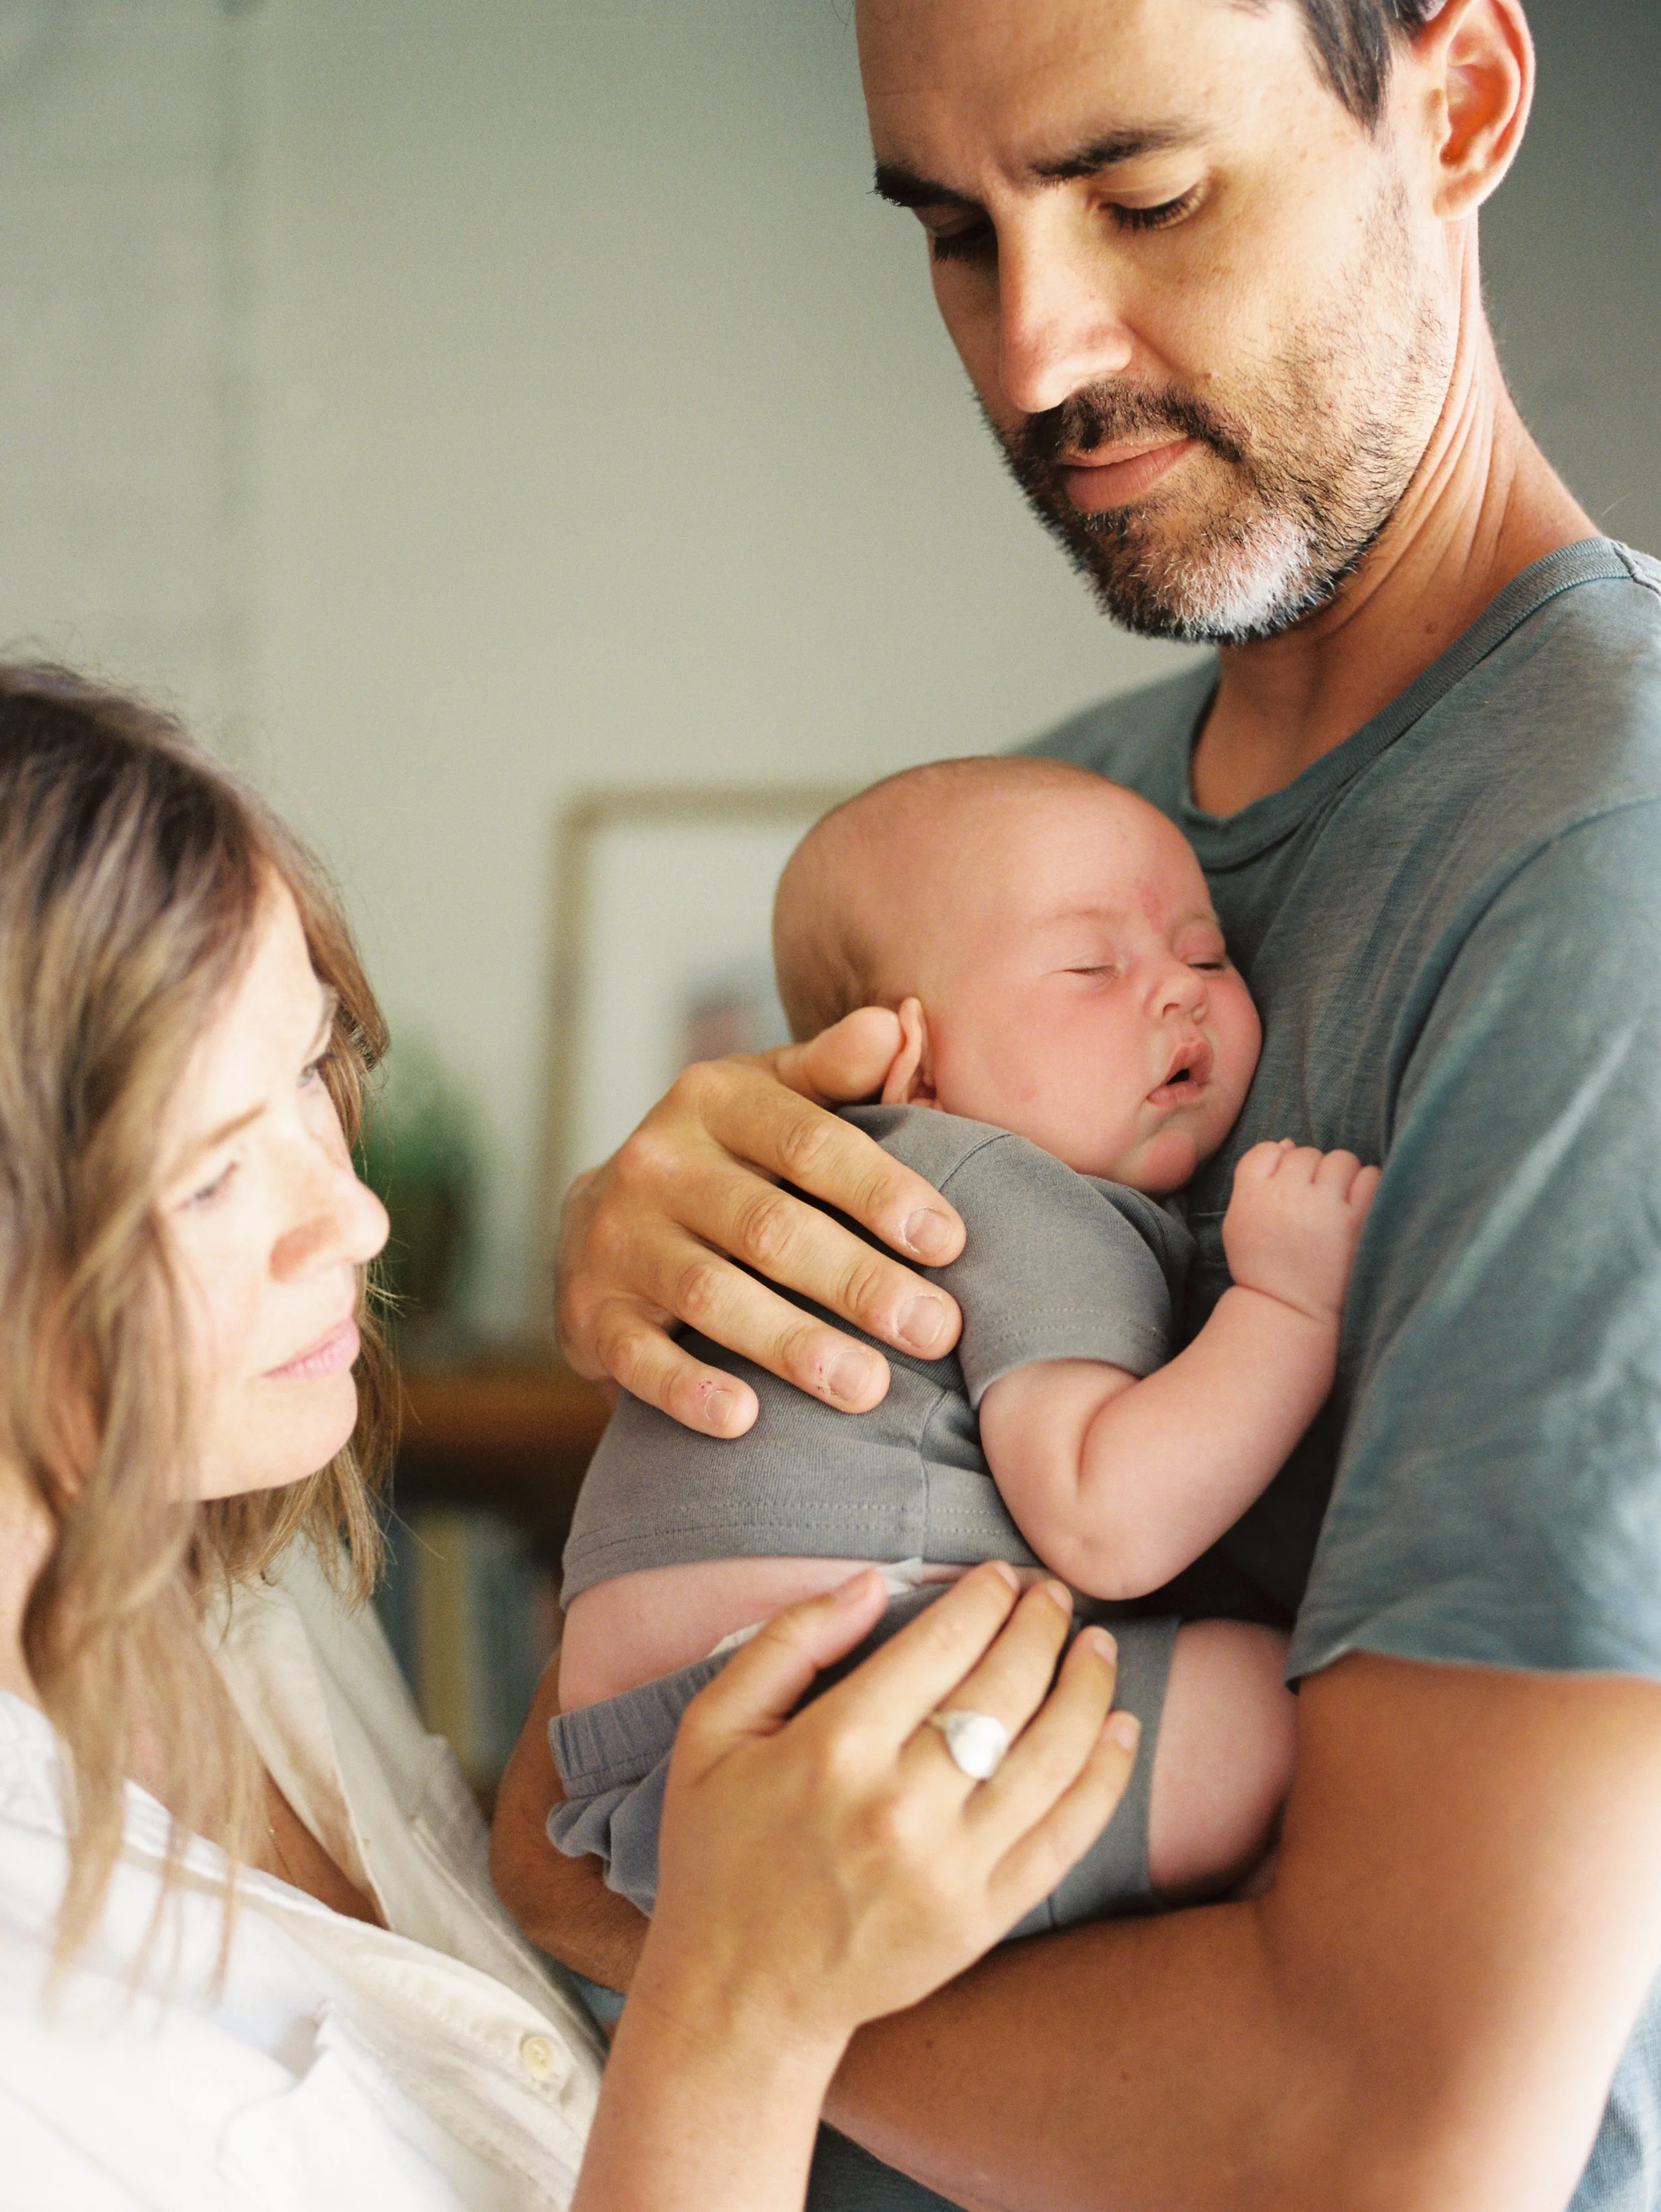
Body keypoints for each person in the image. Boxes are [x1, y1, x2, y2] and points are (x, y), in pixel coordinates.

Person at [492, 2, 1661, 2207]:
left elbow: (1389, 2148)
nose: (1033, 355)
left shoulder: (1604, 880)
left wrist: (706, 1965)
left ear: (1465, 105)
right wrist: (659, 1280)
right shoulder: (1063, 834)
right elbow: (582, 1794)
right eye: (955, 230)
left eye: (1143, 194)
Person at [0, 664, 1143, 2212]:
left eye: (309, 1070)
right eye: (205, 1181)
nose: (354, 1214)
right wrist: (739, 2020)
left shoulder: (234, 1577)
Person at [551, 757, 1379, 1936]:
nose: (1176, 994)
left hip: (650, 1751)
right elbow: (1108, 1516)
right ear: (919, 1065)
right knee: (1277, 1703)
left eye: (1205, 954)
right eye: (1091, 969)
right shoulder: (999, 1181)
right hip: (843, 1707)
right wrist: (1289, 1306)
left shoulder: (834, 1175)